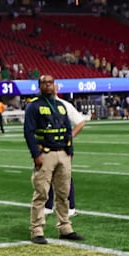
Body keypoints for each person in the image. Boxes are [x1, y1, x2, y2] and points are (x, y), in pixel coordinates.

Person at [24, 75, 83, 244]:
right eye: (44, 83)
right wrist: (36, 155)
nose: (48, 86)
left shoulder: (61, 106)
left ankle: (65, 227)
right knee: (41, 193)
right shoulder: (33, 106)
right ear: (39, 86)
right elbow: (29, 132)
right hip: (46, 153)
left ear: (55, 86)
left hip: (63, 153)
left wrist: (69, 151)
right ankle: (37, 230)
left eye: (50, 83)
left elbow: (67, 129)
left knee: (63, 193)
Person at [44, 86, 88, 217]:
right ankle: (48, 204)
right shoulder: (39, 105)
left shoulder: (64, 105)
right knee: (47, 175)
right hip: (47, 145)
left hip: (63, 146)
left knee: (64, 175)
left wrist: (71, 136)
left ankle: (70, 206)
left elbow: (80, 122)